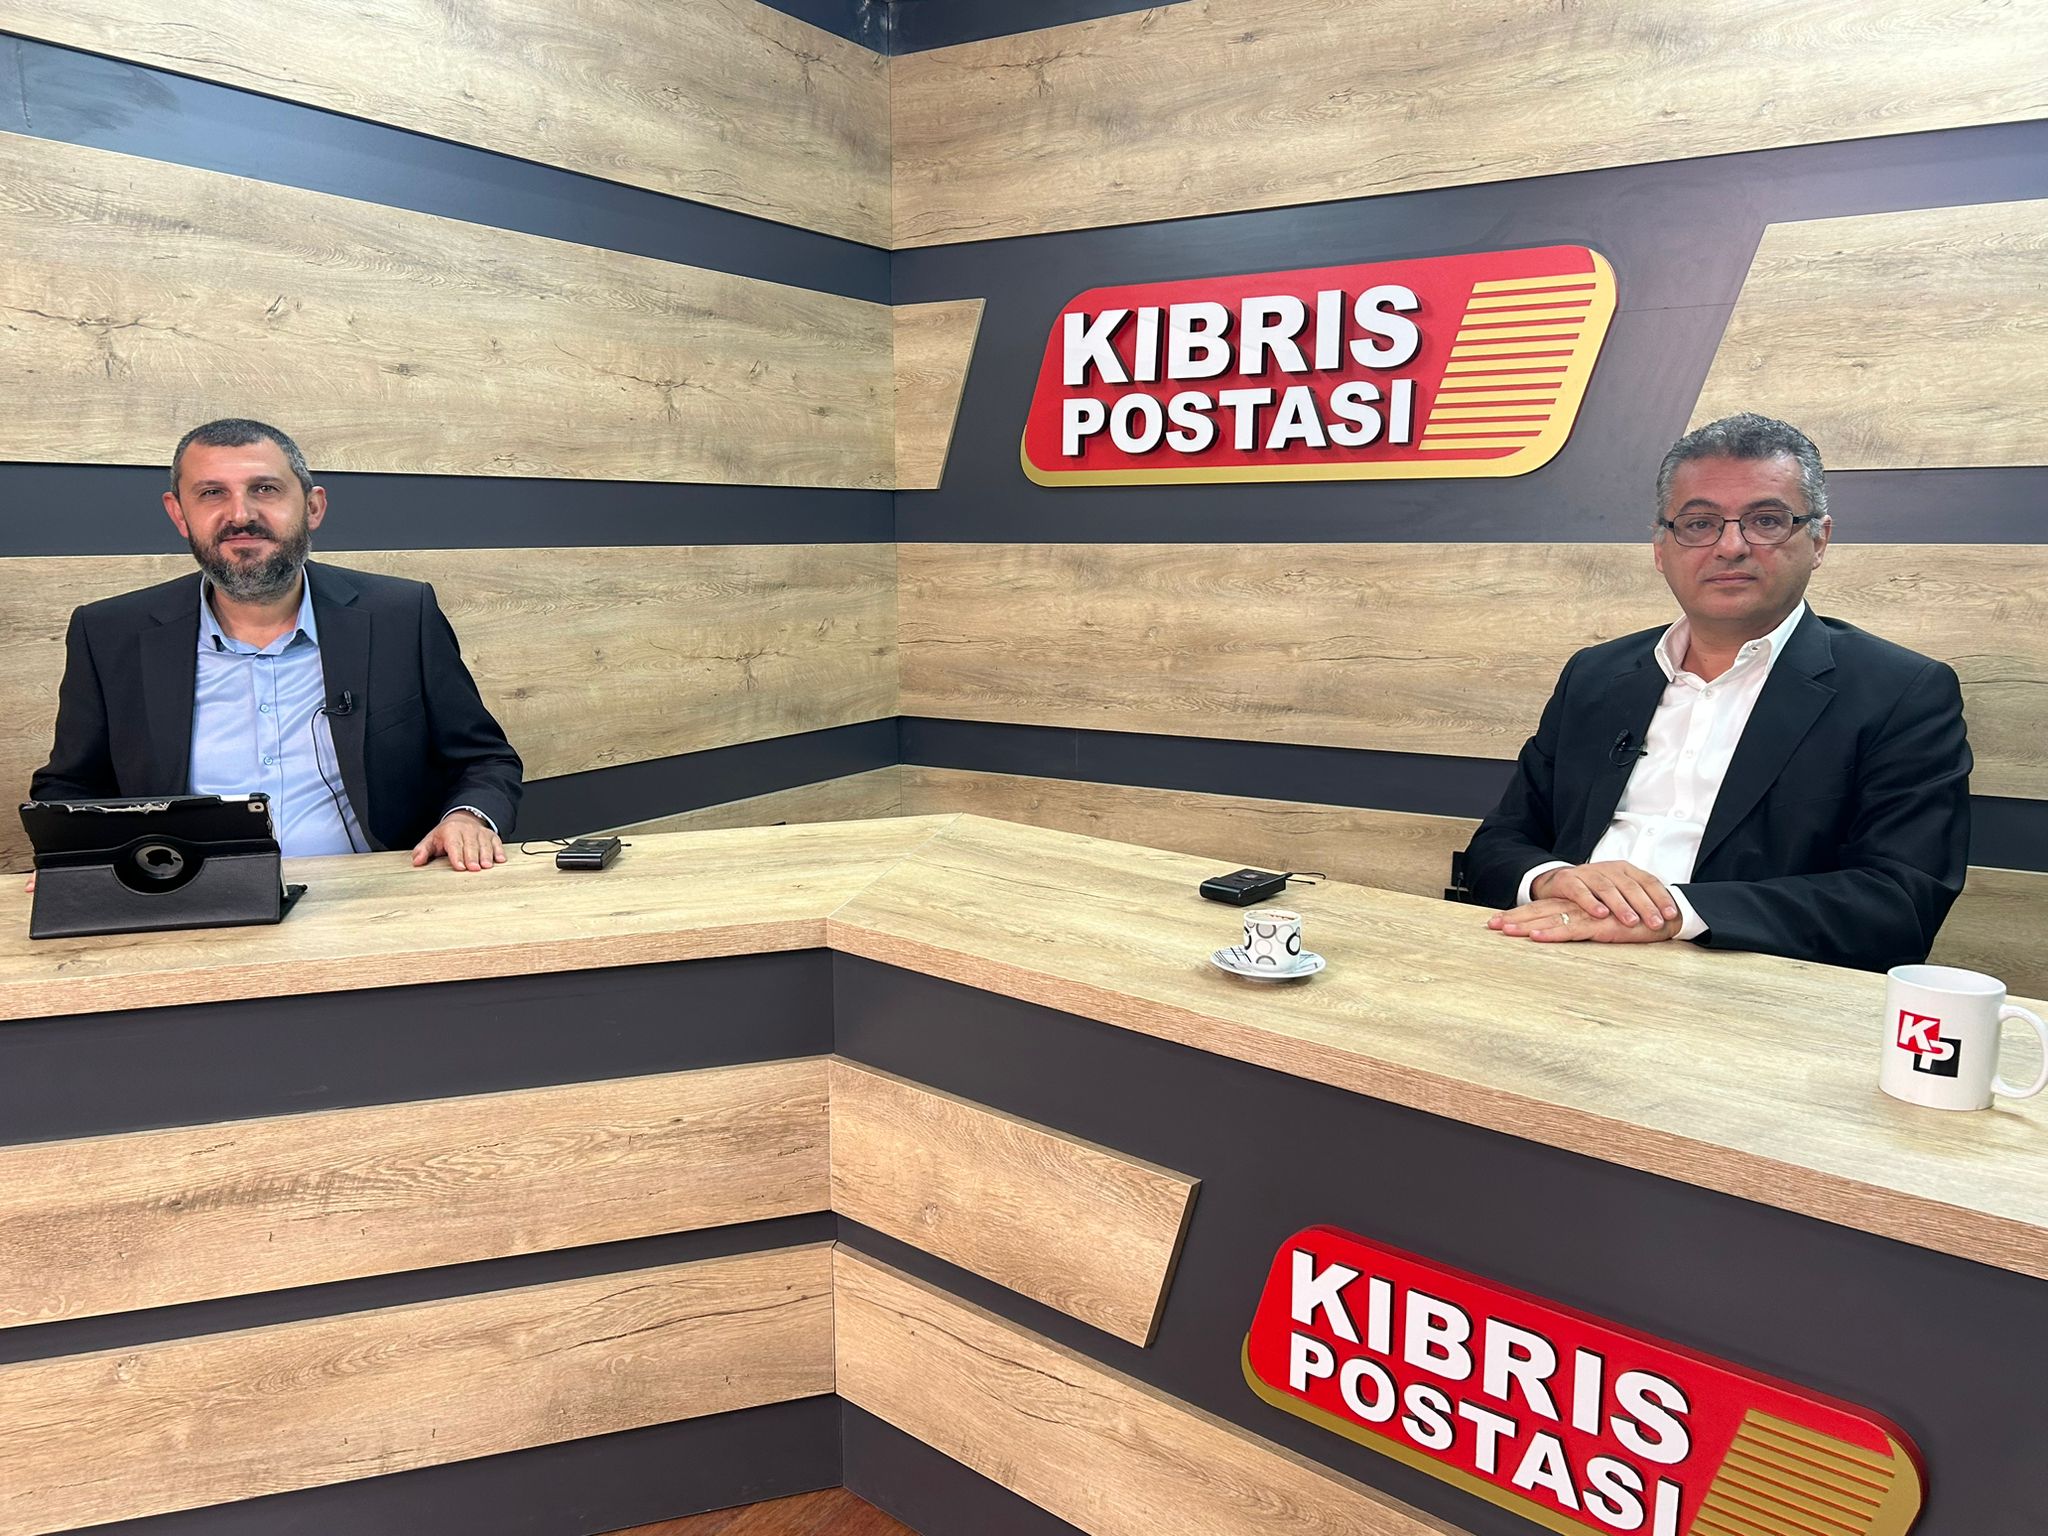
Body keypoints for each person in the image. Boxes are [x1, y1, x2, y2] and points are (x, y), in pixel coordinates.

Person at [1464, 413, 1970, 973]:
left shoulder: (1901, 692)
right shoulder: (1596, 675)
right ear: (1661, 547)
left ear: (1819, 539)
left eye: (1767, 521)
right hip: (1550, 957)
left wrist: (1674, 913)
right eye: (1699, 523)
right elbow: (1498, 845)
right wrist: (1552, 879)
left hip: (1747, 985)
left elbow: (1899, 903)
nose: (1731, 546)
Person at [31, 418, 521, 871]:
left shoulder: (402, 615)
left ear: (313, 507)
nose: (240, 514)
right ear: (179, 514)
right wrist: (75, 859)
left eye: (265, 489)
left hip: (379, 894)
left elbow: (484, 759)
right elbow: (71, 786)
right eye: (211, 493)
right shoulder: (109, 633)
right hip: (189, 901)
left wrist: (467, 817)